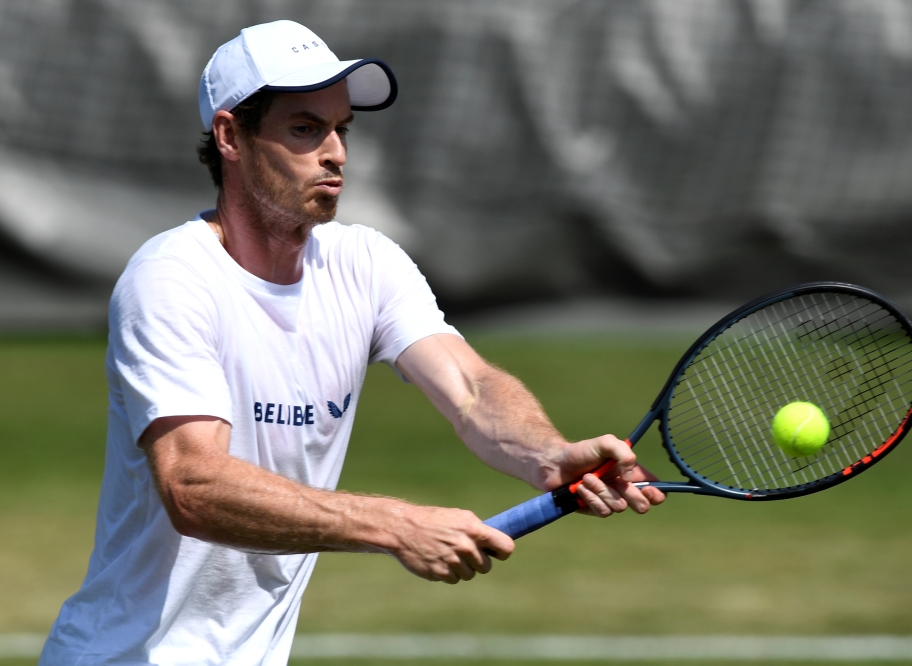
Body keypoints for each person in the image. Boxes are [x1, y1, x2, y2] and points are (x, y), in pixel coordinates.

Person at [40, 20, 665, 666]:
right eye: (306, 129)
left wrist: (548, 453)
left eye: (343, 128)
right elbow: (194, 485)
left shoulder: (367, 264)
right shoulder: (170, 279)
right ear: (230, 136)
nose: (336, 152)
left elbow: (472, 390)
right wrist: (395, 525)